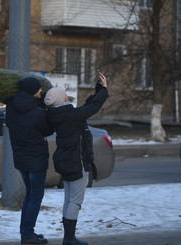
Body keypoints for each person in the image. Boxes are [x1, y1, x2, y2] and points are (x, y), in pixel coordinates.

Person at [44, 72, 109, 245]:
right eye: (64, 94)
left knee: (68, 199)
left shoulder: (61, 114)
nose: (67, 96)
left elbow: (87, 106)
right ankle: (69, 238)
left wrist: (99, 87)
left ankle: (68, 237)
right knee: (75, 200)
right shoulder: (69, 116)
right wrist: (105, 89)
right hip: (76, 162)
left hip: (66, 161)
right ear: (61, 100)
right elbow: (93, 107)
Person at [5, 76, 54, 245]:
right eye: (39, 89)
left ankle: (27, 232)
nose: (41, 91)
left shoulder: (11, 106)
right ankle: (27, 235)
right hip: (37, 159)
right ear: (33, 91)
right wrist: (44, 108)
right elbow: (47, 130)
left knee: (29, 195)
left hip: (20, 157)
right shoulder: (37, 111)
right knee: (35, 196)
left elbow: (10, 125)